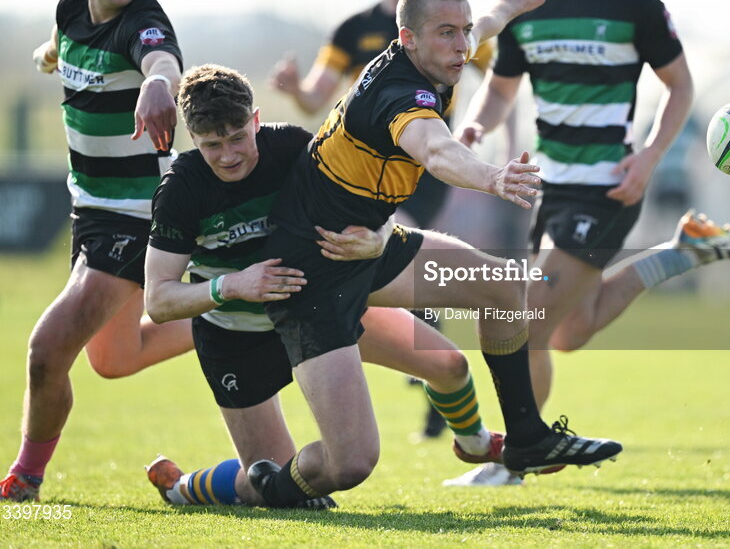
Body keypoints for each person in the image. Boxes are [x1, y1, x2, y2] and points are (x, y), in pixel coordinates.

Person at [248, 0, 623, 509]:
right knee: (350, 463)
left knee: (502, 288)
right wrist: (494, 177)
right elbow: (436, 149)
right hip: (314, 271)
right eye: (447, 33)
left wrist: (513, 2)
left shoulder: (432, 57)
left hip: (368, 246)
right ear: (408, 39)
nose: (462, 45)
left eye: (464, 31)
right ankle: (263, 488)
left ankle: (525, 439)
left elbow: (480, 30)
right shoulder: (401, 94)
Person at [454, 0, 730, 485]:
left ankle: (518, 459)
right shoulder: (530, 10)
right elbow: (502, 87)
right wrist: (472, 128)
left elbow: (682, 88)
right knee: (567, 332)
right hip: (551, 187)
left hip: (609, 187)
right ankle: (681, 252)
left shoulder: (635, 7)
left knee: (529, 317)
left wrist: (648, 158)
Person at [142, 65, 505, 507]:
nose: (229, 155)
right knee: (274, 485)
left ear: (256, 120)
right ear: (193, 141)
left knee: (448, 364)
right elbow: (159, 300)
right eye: (211, 146)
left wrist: (383, 236)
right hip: (239, 338)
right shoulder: (181, 190)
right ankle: (183, 489)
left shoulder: (295, 146)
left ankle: (478, 444)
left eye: (238, 137)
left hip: (318, 305)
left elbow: (371, 200)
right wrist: (232, 285)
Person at [0, 0, 192, 504]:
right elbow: (60, 42)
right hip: (91, 210)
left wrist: (158, 85)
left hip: (134, 217)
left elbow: (161, 59)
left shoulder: (143, 22)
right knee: (115, 359)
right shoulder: (71, 9)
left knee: (47, 350)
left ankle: (25, 479)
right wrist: (48, 54)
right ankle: (232, 314)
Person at [268, 0, 505, 439]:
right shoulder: (354, 31)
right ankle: (413, 364)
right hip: (359, 177)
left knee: (395, 252)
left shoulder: (447, 23)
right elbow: (315, 98)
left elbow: (493, 58)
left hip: (424, 168)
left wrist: (482, 129)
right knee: (373, 244)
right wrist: (293, 89)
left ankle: (435, 385)